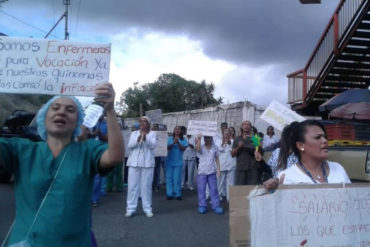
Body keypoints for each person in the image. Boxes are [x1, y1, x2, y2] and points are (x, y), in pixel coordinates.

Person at [0, 83, 124, 247]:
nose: (62, 112)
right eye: (55, 108)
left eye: (70, 110)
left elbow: (115, 156)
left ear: (78, 122)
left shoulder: (87, 150)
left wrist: (110, 110)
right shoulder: (21, 149)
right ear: (44, 117)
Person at [264, 120, 350, 189]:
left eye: (325, 137)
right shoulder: (286, 178)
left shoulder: (338, 168)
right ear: (300, 145)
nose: (325, 141)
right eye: (317, 137)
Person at [125, 116, 157, 218]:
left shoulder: (153, 134)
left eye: (144, 122)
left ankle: (147, 208)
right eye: (141, 122)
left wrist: (145, 138)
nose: (142, 123)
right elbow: (129, 146)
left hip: (147, 163)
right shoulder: (134, 133)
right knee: (132, 187)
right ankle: (130, 208)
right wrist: (137, 140)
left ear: (148, 124)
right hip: (134, 163)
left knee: (146, 187)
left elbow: (152, 145)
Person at [195, 134, 223, 214]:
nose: (208, 139)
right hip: (202, 171)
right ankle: (202, 205)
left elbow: (217, 159)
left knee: (214, 189)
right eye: (206, 138)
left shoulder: (215, 148)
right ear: (204, 139)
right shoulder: (201, 147)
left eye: (209, 138)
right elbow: (197, 149)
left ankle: (216, 205)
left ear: (211, 138)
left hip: (212, 171)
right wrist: (199, 139)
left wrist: (218, 169)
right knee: (201, 189)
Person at [232, 120, 260, 185]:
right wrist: (239, 147)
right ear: (242, 127)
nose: (246, 126)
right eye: (244, 124)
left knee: (251, 190)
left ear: (250, 127)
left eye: (248, 125)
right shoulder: (237, 138)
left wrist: (260, 147)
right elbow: (232, 154)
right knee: (239, 190)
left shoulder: (255, 138)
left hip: (252, 168)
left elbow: (260, 153)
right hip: (241, 168)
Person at [166, 126, 188, 200]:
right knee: (169, 179)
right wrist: (173, 143)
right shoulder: (169, 139)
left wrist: (178, 142)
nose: (177, 130)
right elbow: (167, 148)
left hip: (178, 162)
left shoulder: (183, 139)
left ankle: (178, 194)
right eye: (176, 129)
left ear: (181, 131)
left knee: (177, 179)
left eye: (179, 129)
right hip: (169, 162)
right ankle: (170, 194)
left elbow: (183, 149)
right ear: (174, 130)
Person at [217, 130, 236, 202]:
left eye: (228, 134)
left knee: (231, 182)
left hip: (231, 164)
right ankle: (218, 196)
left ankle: (230, 198)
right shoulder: (218, 141)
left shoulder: (233, 141)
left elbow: (233, 151)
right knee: (219, 182)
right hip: (221, 165)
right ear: (222, 134)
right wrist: (222, 143)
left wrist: (229, 143)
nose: (226, 135)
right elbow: (219, 150)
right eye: (225, 134)